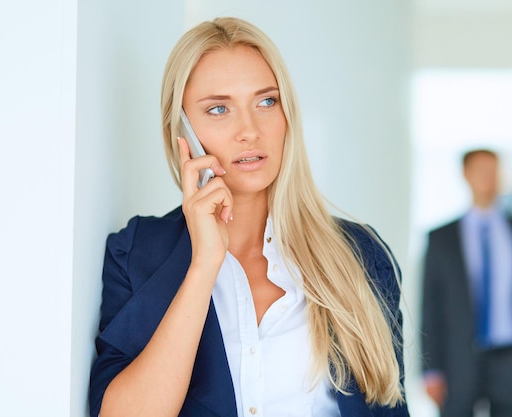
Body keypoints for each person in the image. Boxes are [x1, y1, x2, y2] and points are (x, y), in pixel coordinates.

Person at [88, 17, 410, 417]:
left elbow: (390, 406)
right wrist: (204, 266)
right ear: (183, 130)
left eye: (266, 102)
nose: (250, 130)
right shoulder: (136, 252)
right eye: (219, 109)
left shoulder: (360, 254)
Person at [420, 149, 512, 417]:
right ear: (466, 175)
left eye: (494, 171)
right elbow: (431, 306)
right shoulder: (441, 238)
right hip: (458, 362)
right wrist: (430, 369)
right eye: (481, 171)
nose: (488, 178)